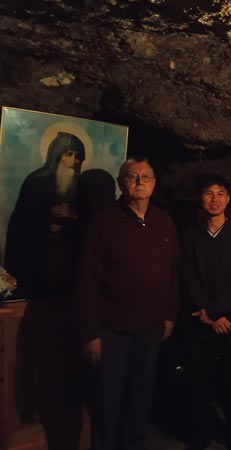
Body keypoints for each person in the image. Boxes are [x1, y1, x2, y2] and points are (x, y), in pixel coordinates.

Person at [78, 157, 180, 450]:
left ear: (154, 183)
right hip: (112, 331)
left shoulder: (164, 221)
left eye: (146, 177)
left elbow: (173, 271)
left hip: (150, 329)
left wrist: (170, 314)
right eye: (132, 176)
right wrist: (90, 332)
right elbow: (87, 280)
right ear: (121, 182)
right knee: (107, 402)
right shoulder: (104, 222)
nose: (139, 182)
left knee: (140, 399)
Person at [6, 131, 86, 450]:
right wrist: (46, 228)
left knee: (64, 360)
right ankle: (30, 412)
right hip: (38, 285)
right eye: (68, 154)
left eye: (77, 156)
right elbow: (20, 227)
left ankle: (62, 412)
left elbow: (91, 231)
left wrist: (74, 218)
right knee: (32, 354)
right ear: (56, 154)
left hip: (69, 289)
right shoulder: (37, 182)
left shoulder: (81, 189)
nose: (73, 161)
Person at [181, 174, 231, 450]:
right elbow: (188, 276)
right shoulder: (190, 236)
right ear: (201, 198)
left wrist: (215, 312)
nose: (214, 199)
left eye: (220, 193)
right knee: (199, 383)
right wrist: (210, 314)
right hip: (200, 321)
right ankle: (199, 434)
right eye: (208, 193)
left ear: (228, 198)